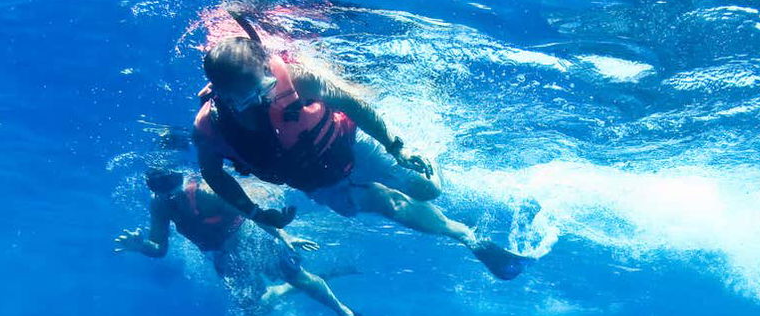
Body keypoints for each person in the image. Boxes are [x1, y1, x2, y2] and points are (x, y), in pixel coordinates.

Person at [190, 13, 529, 281]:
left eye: (260, 89)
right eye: (238, 98)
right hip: (321, 183)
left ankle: (426, 152)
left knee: (428, 191)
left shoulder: (298, 78)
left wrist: (396, 147)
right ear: (218, 91)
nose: (252, 103)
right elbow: (213, 175)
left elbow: (354, 105)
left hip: (351, 144)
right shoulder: (208, 126)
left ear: (268, 70)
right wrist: (254, 212)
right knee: (390, 206)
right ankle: (468, 238)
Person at [115, 167, 406, 316]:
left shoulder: (206, 193)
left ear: (179, 182)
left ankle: (346, 313)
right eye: (160, 192)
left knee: (298, 278)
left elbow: (254, 214)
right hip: (224, 258)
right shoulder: (160, 205)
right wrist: (142, 247)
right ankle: (310, 280)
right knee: (253, 312)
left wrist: (285, 236)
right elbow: (159, 248)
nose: (167, 198)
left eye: (169, 192)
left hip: (251, 237)